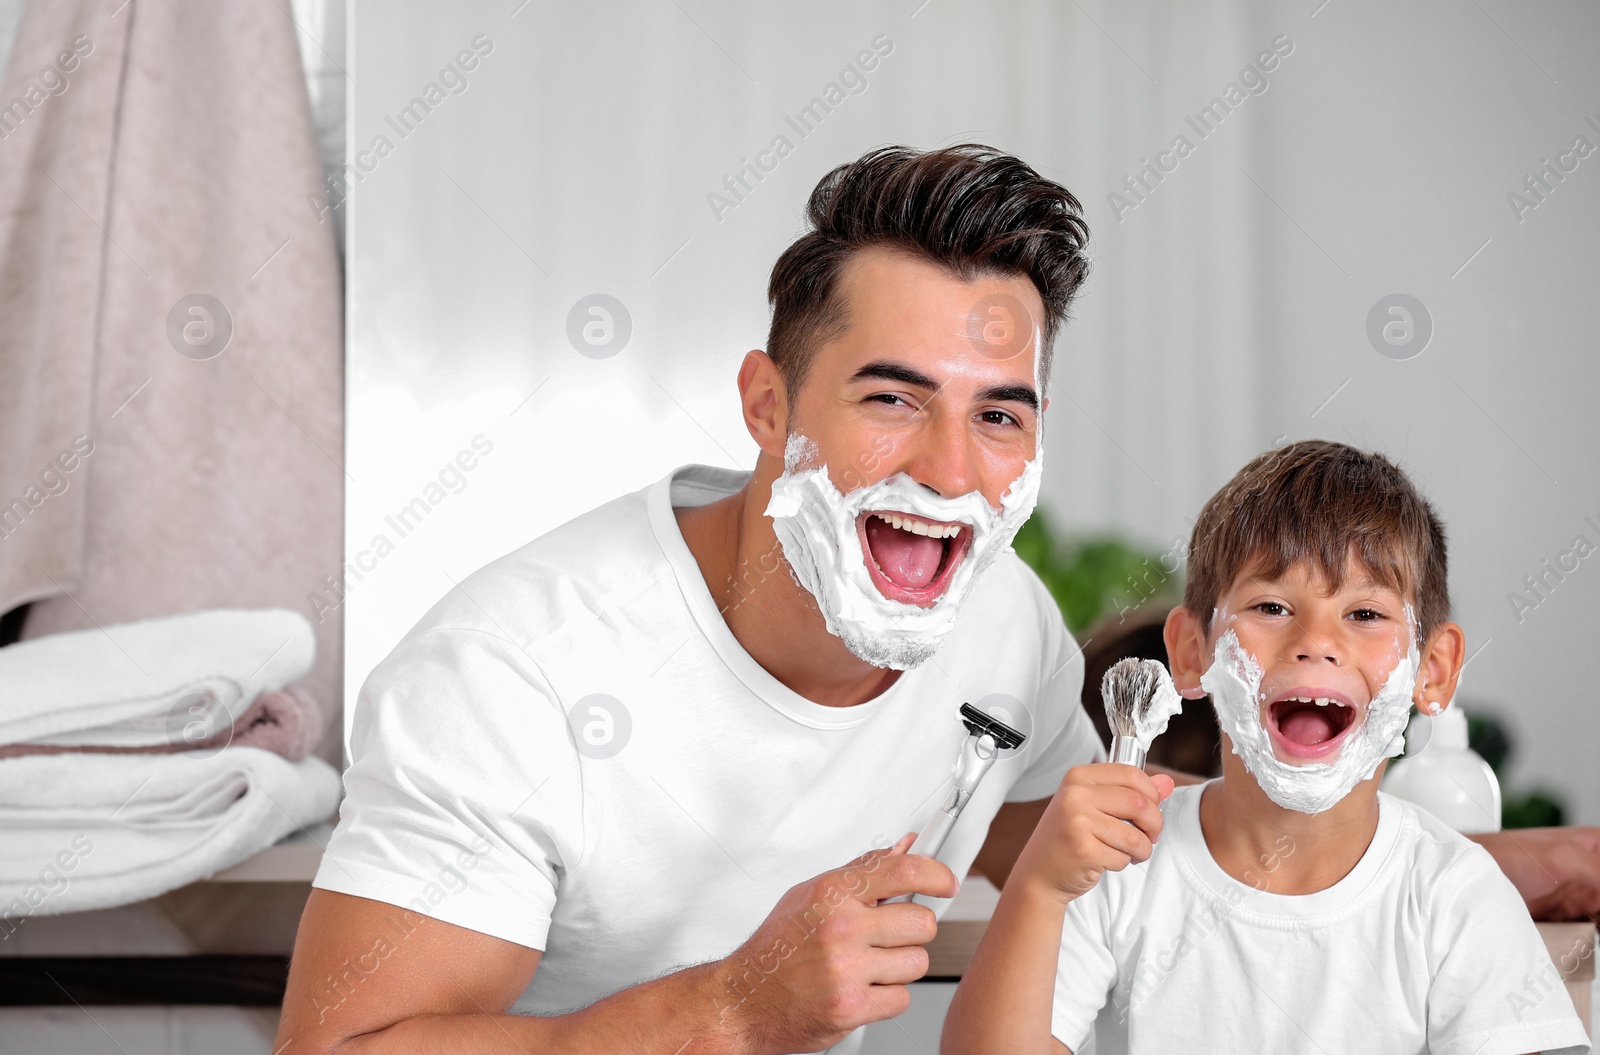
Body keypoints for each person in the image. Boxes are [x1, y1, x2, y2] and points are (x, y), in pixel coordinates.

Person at [276, 144, 1113, 1055]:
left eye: (998, 417)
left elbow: (1082, 856)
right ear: (767, 405)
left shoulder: (1005, 625)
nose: (951, 475)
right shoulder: (513, 670)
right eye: (891, 400)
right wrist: (732, 1011)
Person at [941, 441, 1592, 1055]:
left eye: (1364, 614)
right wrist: (1041, 886)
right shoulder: (1124, 864)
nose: (1316, 640)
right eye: (1273, 606)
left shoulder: (1454, 894)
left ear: (1434, 669)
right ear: (1193, 653)